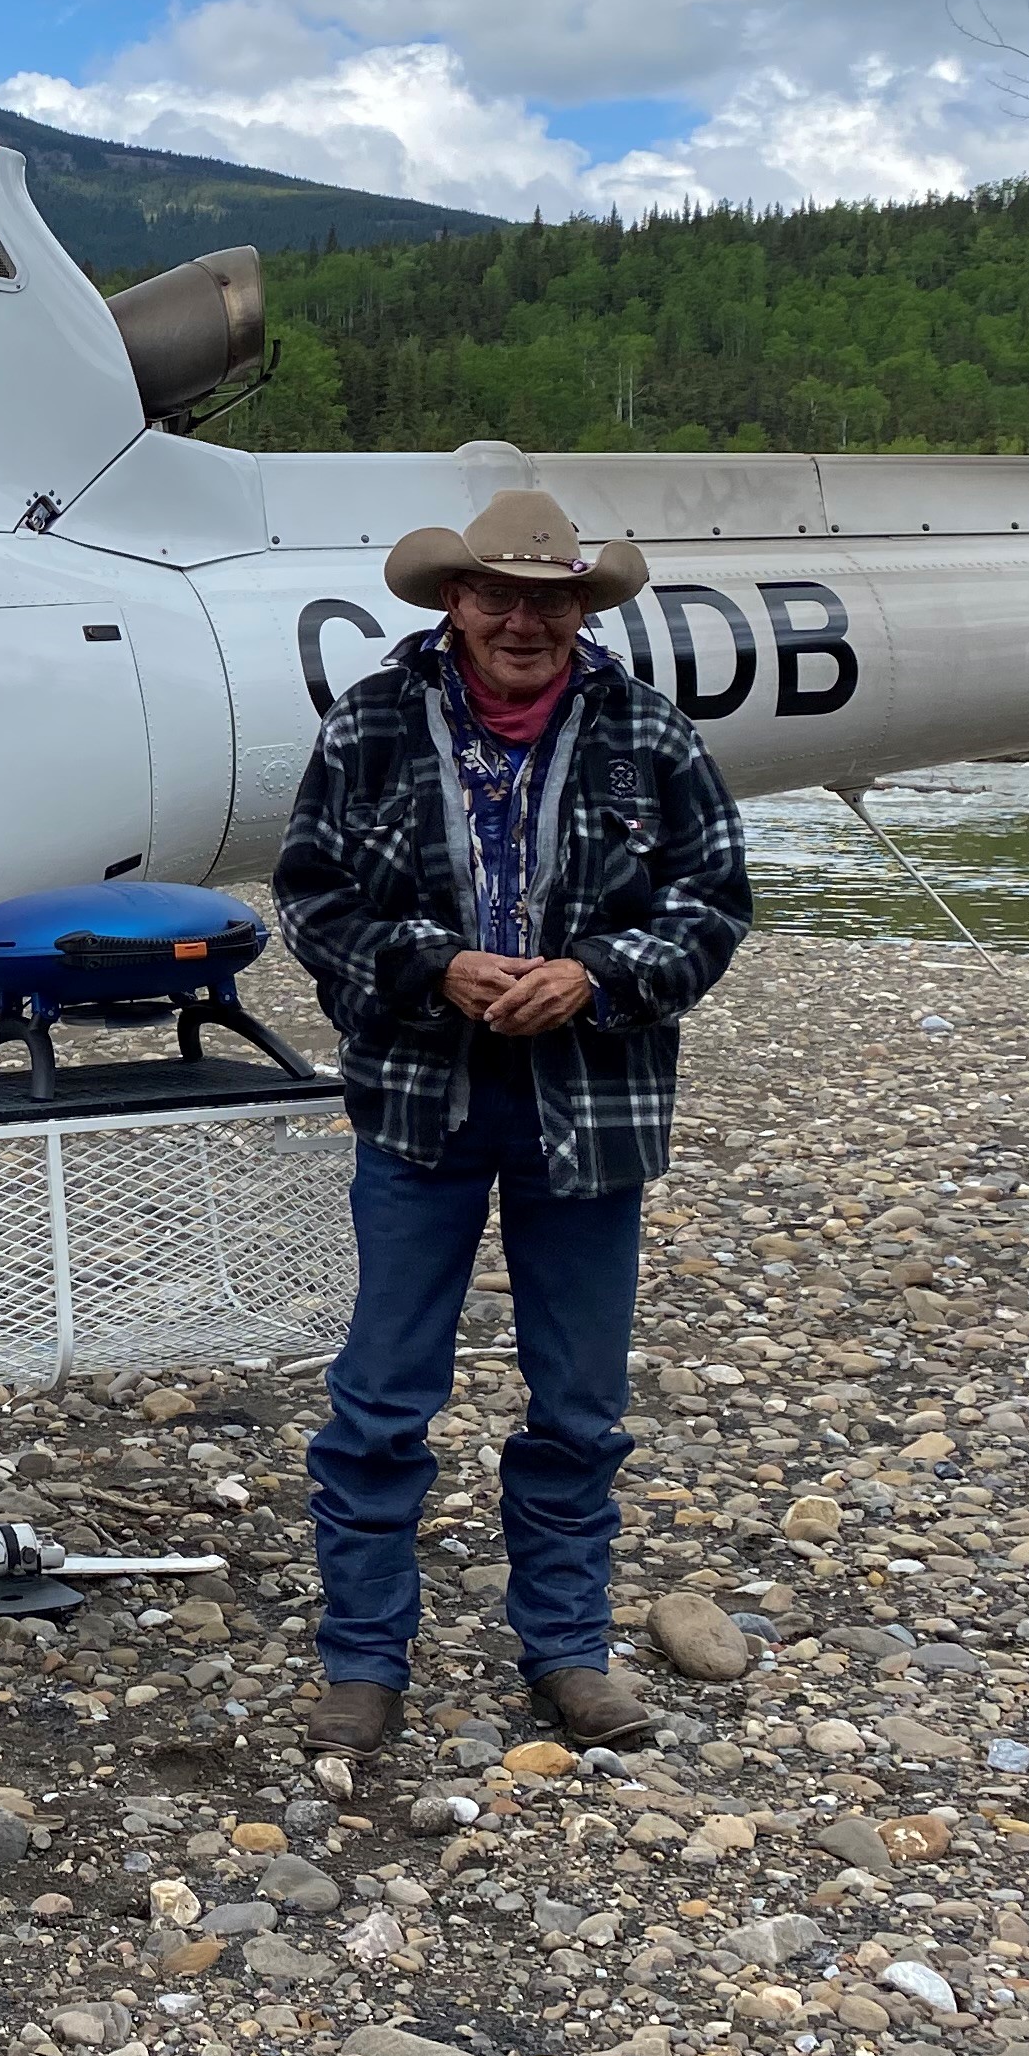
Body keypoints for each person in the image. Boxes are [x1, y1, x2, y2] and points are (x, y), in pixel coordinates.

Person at [272, 487, 752, 1754]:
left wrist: (597, 973)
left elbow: (714, 909)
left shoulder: (650, 730)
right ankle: (364, 1663)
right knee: (379, 1399)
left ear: (582, 610)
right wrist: (434, 964)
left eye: (553, 599)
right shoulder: (370, 723)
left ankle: (568, 1652)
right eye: (502, 595)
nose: (526, 620)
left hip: (592, 1107)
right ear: (456, 601)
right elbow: (311, 902)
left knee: (580, 1404)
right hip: (419, 1104)